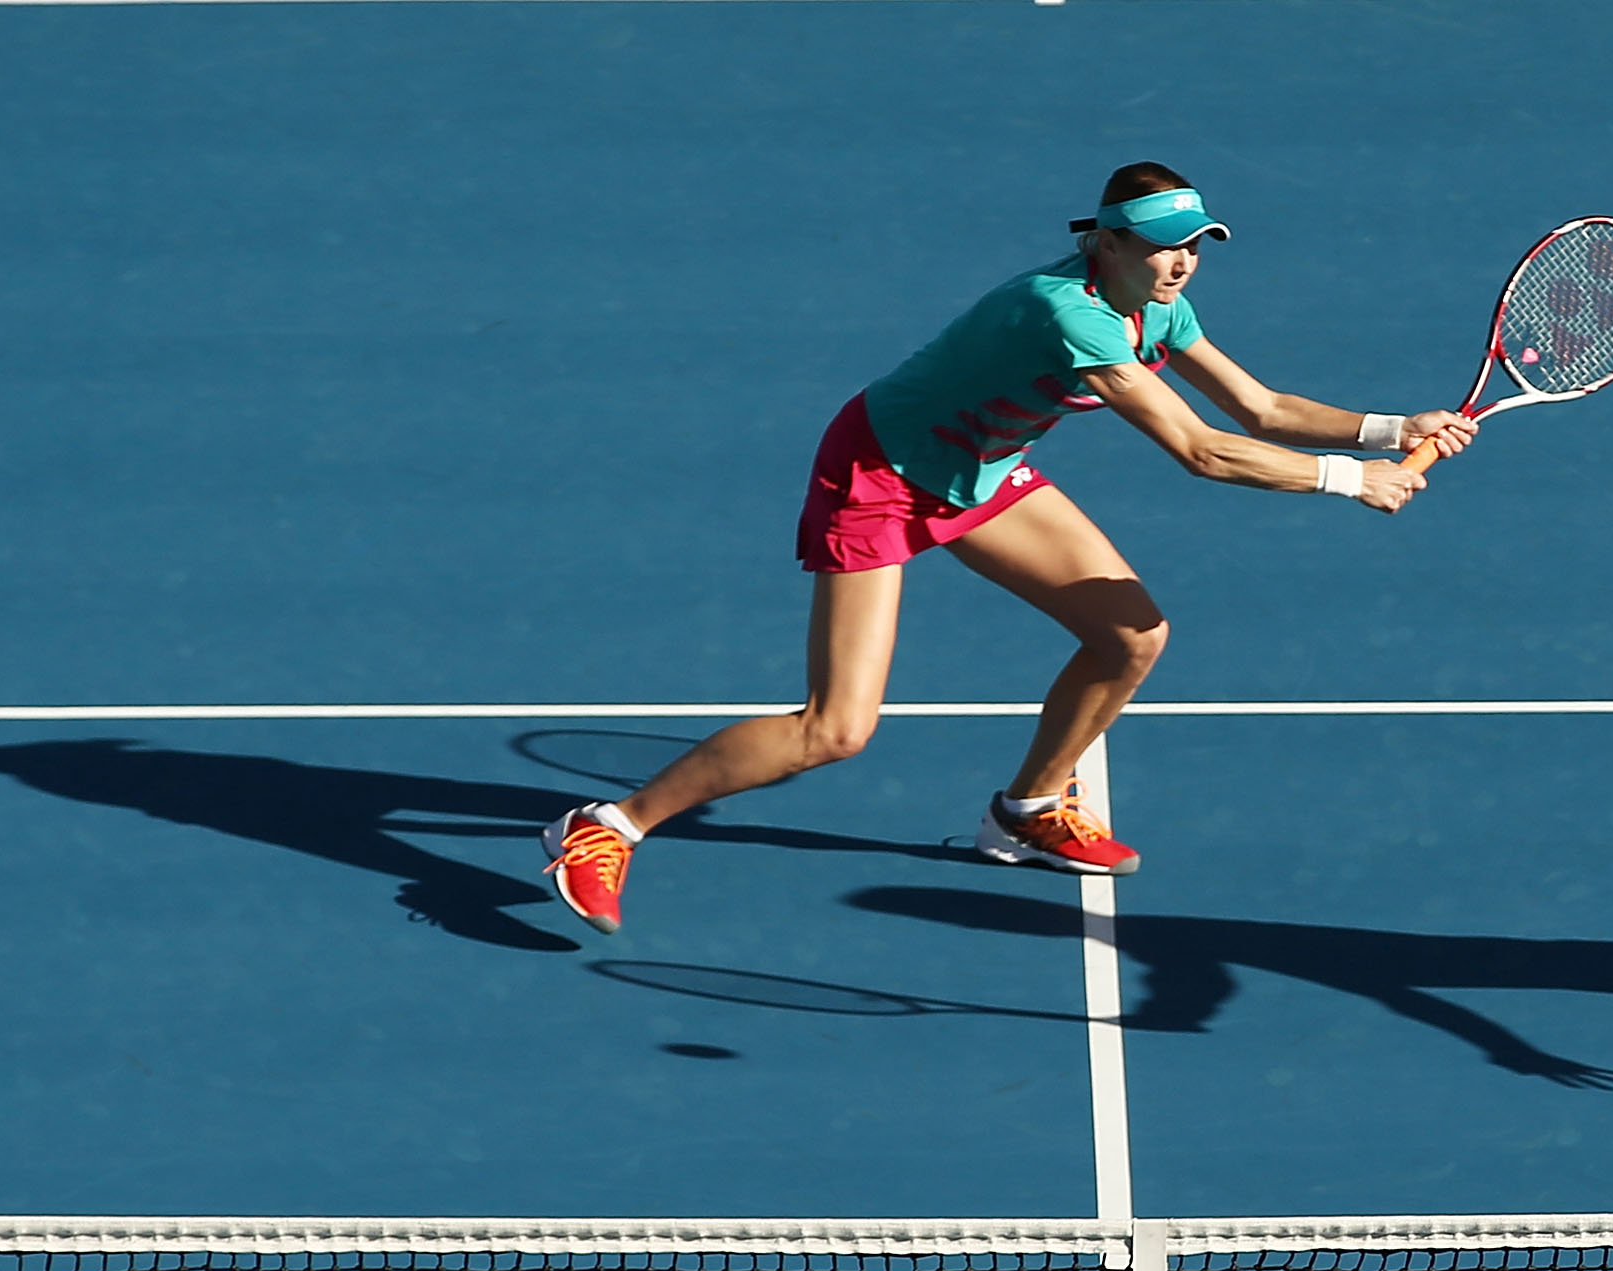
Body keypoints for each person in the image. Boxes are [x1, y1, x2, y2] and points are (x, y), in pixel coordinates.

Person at [541, 162, 1476, 931]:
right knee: (836, 729)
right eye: (1159, 247)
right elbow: (1199, 448)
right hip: (880, 475)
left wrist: (1390, 429)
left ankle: (1025, 811)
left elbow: (1259, 407)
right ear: (1103, 242)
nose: (1181, 264)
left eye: (1194, 246)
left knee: (1130, 638)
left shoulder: (1160, 304)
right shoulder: (1067, 311)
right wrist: (1349, 483)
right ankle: (607, 824)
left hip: (983, 472)